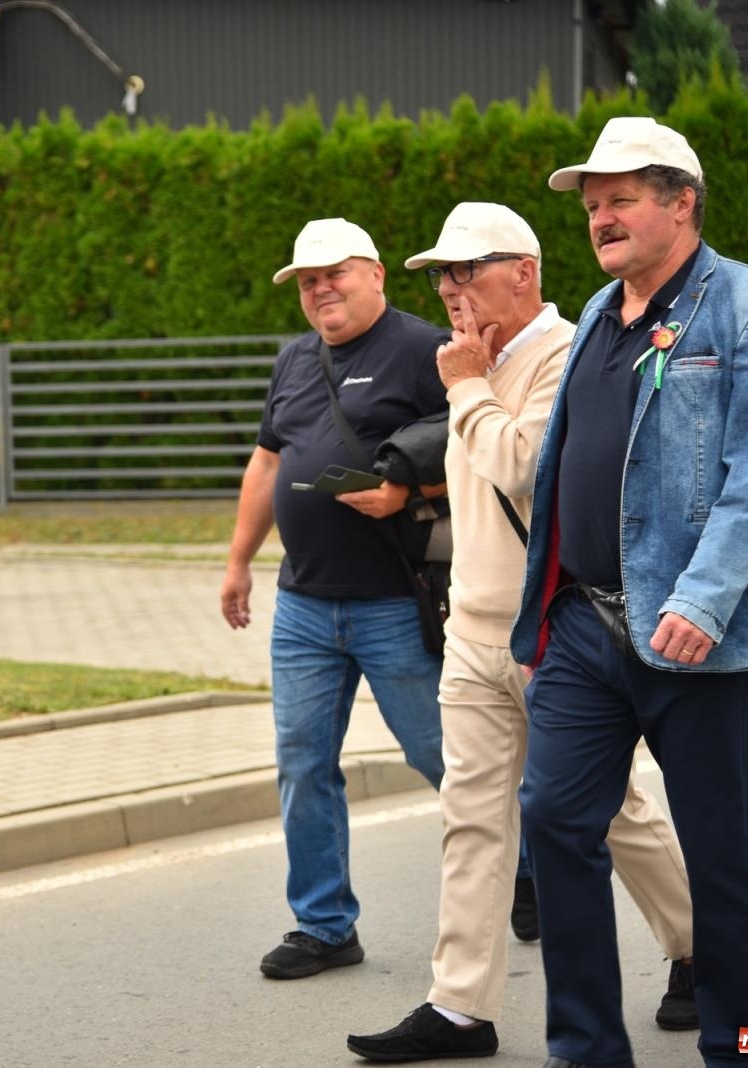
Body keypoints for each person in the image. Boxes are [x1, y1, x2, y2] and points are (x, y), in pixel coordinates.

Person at [345, 202, 696, 1063]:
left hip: (557, 628)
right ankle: (462, 1006)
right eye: (440, 276)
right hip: (472, 627)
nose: (451, 291)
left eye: (467, 272)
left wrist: (463, 383)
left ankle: (701, 948)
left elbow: (522, 463)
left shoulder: (568, 352)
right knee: (469, 816)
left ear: (525, 272)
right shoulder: (472, 359)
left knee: (612, 809)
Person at [511, 118, 748, 1067]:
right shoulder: (601, 312)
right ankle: (587, 1050)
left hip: (695, 637)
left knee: (718, 858)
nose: (600, 218)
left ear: (683, 201)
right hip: (582, 626)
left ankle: (743, 1048)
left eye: (621, 199)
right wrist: (540, 605)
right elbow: (564, 466)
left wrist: (703, 598)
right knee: (555, 822)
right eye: (592, 206)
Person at [221, 217, 449, 980]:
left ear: (376, 273)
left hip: (394, 600)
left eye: (335, 274)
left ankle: (525, 873)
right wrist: (238, 562)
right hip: (304, 606)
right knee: (302, 762)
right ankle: (323, 925)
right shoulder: (294, 360)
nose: (321, 289)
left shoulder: (425, 349)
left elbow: (488, 445)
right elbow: (266, 465)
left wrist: (406, 487)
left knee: (444, 755)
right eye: (308, 280)